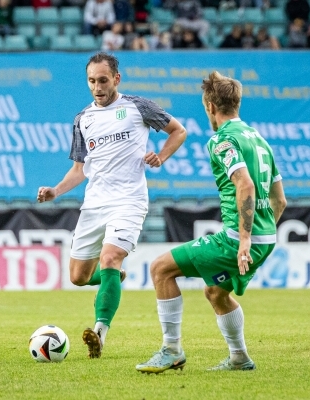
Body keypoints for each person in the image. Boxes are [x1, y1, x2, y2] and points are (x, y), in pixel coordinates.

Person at [37, 52, 187, 359]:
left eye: (103, 80)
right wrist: (56, 190)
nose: (97, 87)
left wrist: (161, 156)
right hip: (94, 204)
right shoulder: (83, 120)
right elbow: (79, 170)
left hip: (129, 201)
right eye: (91, 81)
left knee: (109, 258)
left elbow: (178, 131)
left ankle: (100, 332)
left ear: (116, 79)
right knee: (78, 277)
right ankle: (112, 279)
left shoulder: (137, 106)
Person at [135, 71, 287, 374]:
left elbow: (245, 184)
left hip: (239, 240)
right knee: (215, 292)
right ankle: (239, 358)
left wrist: (244, 239)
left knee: (160, 269)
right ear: (238, 103)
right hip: (267, 238)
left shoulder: (222, 140)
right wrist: (259, 236)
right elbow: (279, 201)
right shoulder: (259, 140)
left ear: (209, 106)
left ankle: (171, 350)